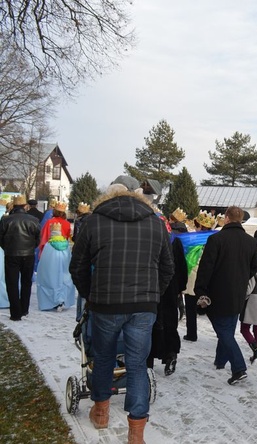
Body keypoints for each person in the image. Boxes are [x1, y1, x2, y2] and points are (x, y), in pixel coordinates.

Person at [69, 179, 174, 444]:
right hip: (143, 306)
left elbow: (78, 266)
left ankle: (101, 411)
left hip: (106, 303)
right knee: (137, 364)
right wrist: (153, 295)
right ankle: (136, 432)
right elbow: (167, 268)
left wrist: (89, 295)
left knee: (104, 357)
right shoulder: (155, 222)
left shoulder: (94, 221)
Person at [194, 205, 257, 385]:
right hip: (238, 291)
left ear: (227, 218)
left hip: (217, 291)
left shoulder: (216, 239)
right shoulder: (250, 241)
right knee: (228, 327)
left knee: (224, 331)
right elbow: (254, 267)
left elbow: (206, 267)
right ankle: (220, 361)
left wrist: (200, 290)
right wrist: (242, 277)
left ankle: (238, 368)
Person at [147, 218, 188, 376]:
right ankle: (170, 355)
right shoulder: (174, 242)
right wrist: (181, 287)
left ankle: (148, 359)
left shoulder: (149, 240)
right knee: (169, 322)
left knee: (150, 322)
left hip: (150, 287)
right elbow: (181, 266)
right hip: (170, 287)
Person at [0, 195, 40, 321]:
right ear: (25, 206)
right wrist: (31, 247)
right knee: (26, 282)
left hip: (11, 254)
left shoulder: (6, 220)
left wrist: (7, 248)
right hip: (28, 254)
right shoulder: (33, 220)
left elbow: (1, 239)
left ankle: (15, 313)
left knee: (12, 283)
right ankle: (24, 309)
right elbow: (37, 239)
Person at [180, 210, 217, 342]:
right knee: (207, 306)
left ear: (200, 226)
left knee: (190, 307)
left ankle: (191, 334)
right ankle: (220, 332)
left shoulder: (192, 240)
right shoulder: (214, 239)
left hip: (192, 277)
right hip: (206, 279)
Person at [36, 221, 76, 311]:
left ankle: (52, 302)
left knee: (51, 281)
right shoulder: (65, 245)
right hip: (64, 269)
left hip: (52, 269)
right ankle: (62, 300)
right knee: (63, 281)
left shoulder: (49, 245)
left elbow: (45, 260)